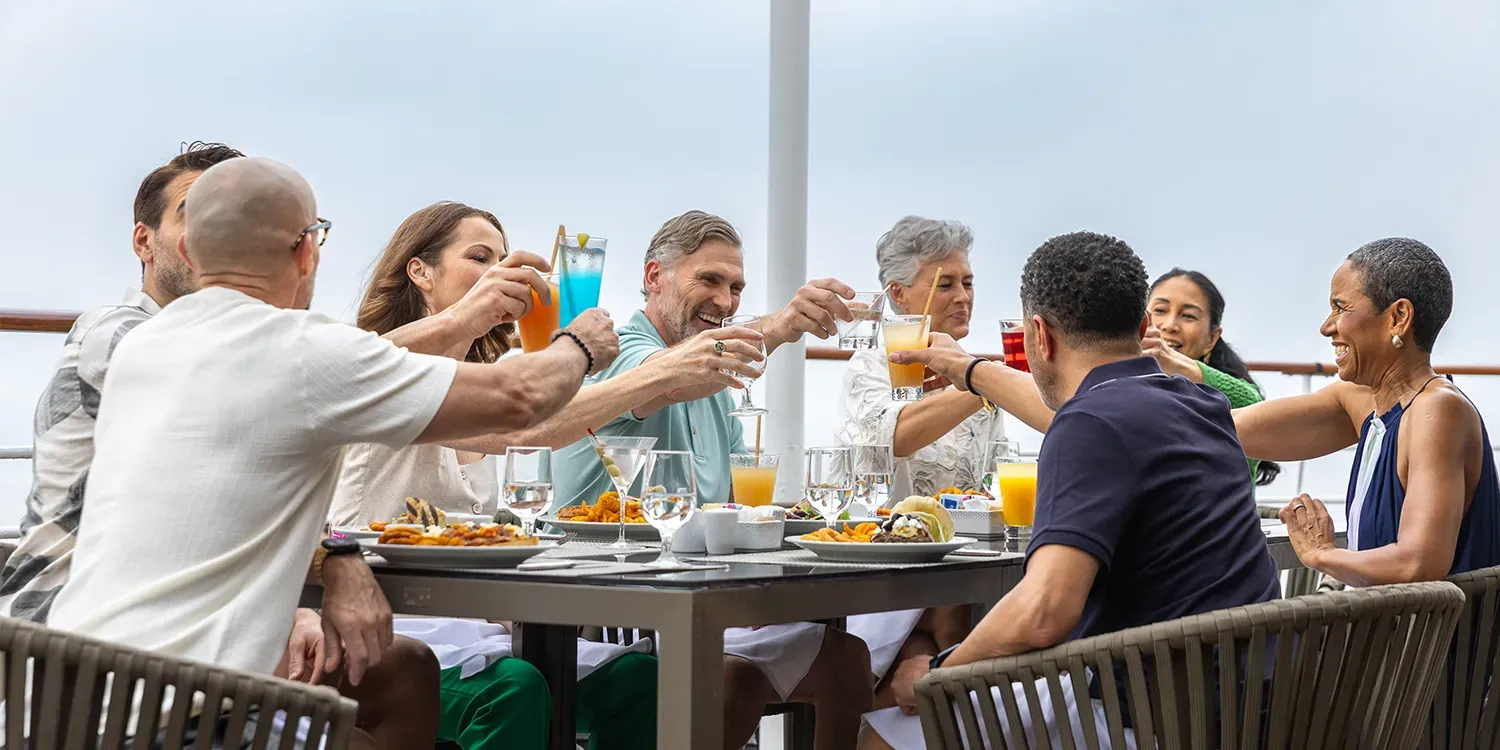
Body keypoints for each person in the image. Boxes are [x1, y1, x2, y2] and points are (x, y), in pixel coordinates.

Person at [46, 157, 620, 749]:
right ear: (305, 254)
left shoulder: (143, 347)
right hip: (190, 714)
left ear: (189, 253)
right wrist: (581, 344)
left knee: (404, 676)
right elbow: (518, 400)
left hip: (67, 687)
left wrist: (338, 550)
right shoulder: (301, 349)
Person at [0, 144, 438, 749]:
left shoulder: (225, 347)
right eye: (192, 212)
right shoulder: (126, 336)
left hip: (177, 634)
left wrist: (336, 550)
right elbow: (335, 372)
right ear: (147, 241)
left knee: (406, 670)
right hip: (75, 647)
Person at [331, 200, 759, 749]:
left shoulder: (488, 379)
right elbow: (534, 429)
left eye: (506, 259)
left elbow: (534, 427)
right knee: (516, 689)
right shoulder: (383, 373)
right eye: (480, 257)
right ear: (420, 271)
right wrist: (642, 368)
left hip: (476, 625)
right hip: (392, 623)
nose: (504, 273)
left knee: (640, 680)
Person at [864, 231, 1280, 748]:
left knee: (888, 730)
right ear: (1144, 325)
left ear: (1038, 334)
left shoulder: (1089, 422)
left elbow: (1044, 611)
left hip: (1149, 721)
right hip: (1243, 712)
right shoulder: (1203, 405)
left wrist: (938, 674)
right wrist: (969, 370)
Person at [552, 210, 874, 750]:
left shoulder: (716, 385)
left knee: (845, 660)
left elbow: (730, 507)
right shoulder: (618, 353)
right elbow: (673, 375)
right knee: (734, 680)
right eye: (709, 280)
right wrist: (782, 326)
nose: (725, 302)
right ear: (655, 277)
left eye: (736, 287)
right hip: (610, 615)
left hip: (697, 603)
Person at [1234, 238, 1500, 585]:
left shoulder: (1437, 410)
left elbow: (1417, 563)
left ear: (1398, 318)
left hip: (1433, 639)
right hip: (1390, 630)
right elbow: (1231, 430)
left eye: (1340, 308)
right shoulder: (1365, 401)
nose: (1326, 327)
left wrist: (1322, 555)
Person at [835, 216, 999, 716]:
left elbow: (987, 486)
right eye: (945, 283)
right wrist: (984, 383)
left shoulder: (974, 374)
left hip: (957, 580)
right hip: (882, 575)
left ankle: (933, 673)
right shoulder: (869, 369)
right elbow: (893, 437)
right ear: (898, 295)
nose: (962, 295)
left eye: (967, 282)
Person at [1141, 268, 1281, 488]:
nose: (1169, 325)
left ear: (1212, 338)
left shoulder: (1230, 394)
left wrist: (1174, 363)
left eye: (1188, 315)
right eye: (1160, 310)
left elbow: (1255, 411)